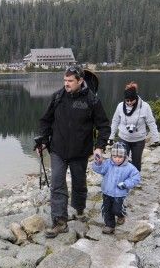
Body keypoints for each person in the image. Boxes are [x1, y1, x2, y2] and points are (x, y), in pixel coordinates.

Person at [37, 65, 110, 238]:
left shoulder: (92, 100)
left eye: (70, 81)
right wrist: (42, 139)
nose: (66, 83)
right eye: (65, 80)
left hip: (80, 151)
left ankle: (79, 209)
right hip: (58, 149)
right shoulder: (58, 97)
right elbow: (45, 121)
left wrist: (99, 146)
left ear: (80, 81)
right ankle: (59, 221)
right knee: (57, 183)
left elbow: (104, 126)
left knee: (79, 182)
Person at [108, 82, 160, 172]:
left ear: (136, 97)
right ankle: (123, 179)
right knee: (122, 160)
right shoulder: (120, 106)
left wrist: (156, 138)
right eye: (127, 100)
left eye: (131, 100)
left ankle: (135, 180)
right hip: (123, 138)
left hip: (138, 140)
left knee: (136, 162)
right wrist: (111, 136)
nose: (129, 103)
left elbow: (151, 122)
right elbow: (115, 121)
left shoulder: (145, 107)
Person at [91, 142, 141, 234]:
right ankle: (110, 225)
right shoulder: (107, 164)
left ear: (125, 156)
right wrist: (98, 163)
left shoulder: (130, 167)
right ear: (111, 156)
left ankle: (121, 215)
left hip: (119, 194)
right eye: (115, 157)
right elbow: (99, 169)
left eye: (120, 157)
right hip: (107, 192)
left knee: (117, 209)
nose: (117, 159)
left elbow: (136, 178)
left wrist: (126, 184)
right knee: (107, 209)